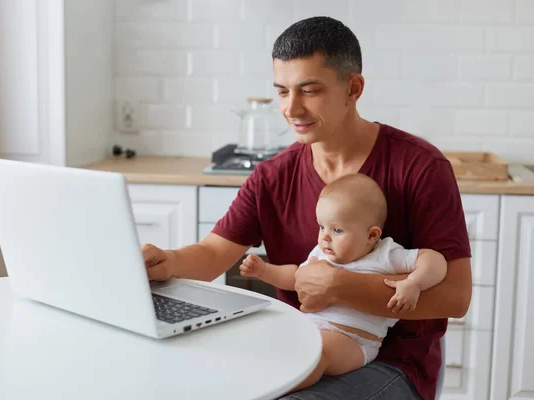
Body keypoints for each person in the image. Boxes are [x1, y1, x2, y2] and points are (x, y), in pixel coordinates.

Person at [143, 16, 472, 400]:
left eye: (309, 90)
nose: (291, 108)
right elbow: (213, 253)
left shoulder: (420, 168)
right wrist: (164, 260)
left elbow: (455, 297)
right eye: (282, 91)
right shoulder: (273, 176)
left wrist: (339, 285)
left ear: (354, 88)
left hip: (392, 363)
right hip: (299, 347)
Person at [239, 173, 448, 393]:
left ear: (371, 235)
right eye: (321, 227)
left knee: (317, 354)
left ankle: (274, 390)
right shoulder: (322, 253)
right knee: (267, 341)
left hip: (353, 341)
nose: (325, 237)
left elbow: (435, 261)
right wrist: (265, 271)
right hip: (310, 330)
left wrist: (414, 282)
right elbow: (296, 278)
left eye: (337, 230)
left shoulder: (386, 254)